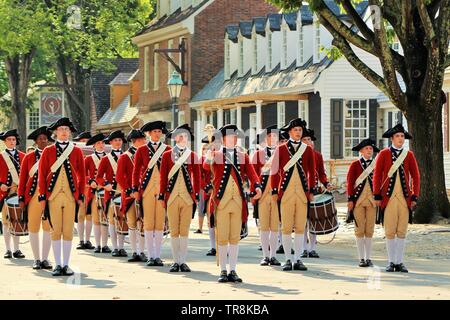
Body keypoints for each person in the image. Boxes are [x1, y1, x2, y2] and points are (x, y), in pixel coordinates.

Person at [204, 124, 262, 283]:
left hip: (237, 202)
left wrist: (257, 187)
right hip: (221, 201)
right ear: (223, 139)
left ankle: (233, 270)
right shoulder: (215, 154)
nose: (233, 139)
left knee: (234, 238)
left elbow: (252, 174)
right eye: (230, 136)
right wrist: (208, 157)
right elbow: (204, 168)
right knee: (222, 238)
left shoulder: (243, 156)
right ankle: (223, 270)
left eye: (235, 136)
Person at [38, 117, 85, 276]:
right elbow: (42, 174)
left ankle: (66, 264)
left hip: (71, 196)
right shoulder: (48, 151)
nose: (64, 132)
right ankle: (57, 264)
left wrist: (81, 194)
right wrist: (43, 196)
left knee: (68, 231)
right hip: (53, 196)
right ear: (55, 133)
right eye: (61, 129)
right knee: (55, 230)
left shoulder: (76, 150)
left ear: (70, 132)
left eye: (66, 129)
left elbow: (82, 175)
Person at [373, 124, 420, 273]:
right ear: (392, 138)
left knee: (402, 231)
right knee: (390, 231)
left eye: (402, 136)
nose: (400, 139)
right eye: (398, 136)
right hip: (388, 199)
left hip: (404, 199)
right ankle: (391, 262)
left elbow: (416, 176)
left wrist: (415, 195)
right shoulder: (384, 154)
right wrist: (376, 195)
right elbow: (377, 175)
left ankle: (399, 262)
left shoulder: (409, 155)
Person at [272, 118, 316, 272]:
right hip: (286, 193)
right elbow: (274, 172)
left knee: (299, 227)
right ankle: (288, 259)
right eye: (295, 130)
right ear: (290, 132)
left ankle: (298, 259)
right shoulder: (281, 149)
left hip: (302, 194)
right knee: (286, 227)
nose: (298, 133)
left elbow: (311, 171)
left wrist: (311, 190)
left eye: (300, 130)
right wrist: (273, 191)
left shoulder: (307, 149)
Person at [159, 124, 200, 273]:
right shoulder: (166, 155)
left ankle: (183, 261)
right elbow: (163, 176)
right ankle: (175, 261)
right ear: (175, 138)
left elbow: (197, 177)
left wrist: (195, 195)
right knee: (174, 230)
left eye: (185, 136)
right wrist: (162, 195)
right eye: (180, 135)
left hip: (187, 198)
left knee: (185, 230)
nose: (183, 138)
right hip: (171, 197)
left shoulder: (193, 155)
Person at [132, 121, 171, 267]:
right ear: (149, 133)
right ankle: (150, 255)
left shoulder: (167, 149)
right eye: (154, 132)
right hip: (147, 188)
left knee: (160, 222)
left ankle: (158, 255)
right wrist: (135, 189)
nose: (157, 134)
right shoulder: (141, 150)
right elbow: (136, 171)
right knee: (148, 222)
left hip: (161, 189)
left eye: (159, 132)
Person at [18, 126, 54, 269]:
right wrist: (21, 197)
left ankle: (45, 259)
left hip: (49, 196)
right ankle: (36, 259)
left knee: (47, 228)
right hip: (33, 196)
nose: (43, 141)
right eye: (40, 139)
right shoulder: (29, 157)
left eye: (45, 138)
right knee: (33, 228)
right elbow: (22, 179)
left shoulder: (53, 155)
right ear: (35, 142)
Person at [346, 138, 379, 267]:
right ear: (361, 151)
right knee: (359, 230)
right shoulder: (355, 165)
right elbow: (350, 183)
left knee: (369, 230)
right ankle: (361, 258)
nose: (369, 151)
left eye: (371, 149)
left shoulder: (376, 164)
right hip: (358, 201)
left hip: (372, 201)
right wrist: (350, 199)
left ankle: (368, 257)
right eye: (367, 148)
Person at [251, 125, 281, 266]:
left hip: (276, 193)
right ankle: (265, 256)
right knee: (264, 226)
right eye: (270, 136)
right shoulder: (258, 154)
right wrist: (253, 193)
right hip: (262, 193)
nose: (272, 138)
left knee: (275, 226)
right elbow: (253, 175)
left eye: (275, 136)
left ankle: (273, 255)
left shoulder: (282, 153)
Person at [117, 129, 147, 262]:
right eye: (143, 139)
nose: (145, 141)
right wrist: (129, 190)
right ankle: (135, 252)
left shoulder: (147, 154)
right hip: (130, 195)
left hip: (144, 193)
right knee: (132, 224)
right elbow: (119, 177)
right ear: (137, 141)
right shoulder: (125, 156)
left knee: (143, 224)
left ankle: (142, 251)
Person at [300, 128, 331, 259]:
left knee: (313, 221)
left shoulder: (317, 155)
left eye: (309, 139)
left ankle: (312, 248)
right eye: (305, 139)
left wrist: (326, 183)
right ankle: (303, 248)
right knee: (302, 222)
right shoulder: (297, 154)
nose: (308, 142)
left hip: (314, 191)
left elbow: (321, 173)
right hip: (300, 191)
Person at [96, 130, 127, 257]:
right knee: (112, 221)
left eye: (120, 140)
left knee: (122, 220)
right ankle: (114, 247)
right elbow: (98, 177)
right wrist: (105, 184)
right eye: (115, 140)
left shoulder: (127, 156)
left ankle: (121, 247)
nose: (118, 142)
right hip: (111, 192)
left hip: (124, 191)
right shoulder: (105, 159)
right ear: (111, 142)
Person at [1, 129, 26, 259]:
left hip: (19, 192)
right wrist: (1, 185)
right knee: (6, 222)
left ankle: (17, 249)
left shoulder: (23, 156)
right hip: (5, 194)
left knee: (17, 221)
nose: (12, 142)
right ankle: (8, 249)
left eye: (13, 140)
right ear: (5, 142)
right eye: (9, 140)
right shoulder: (0, 156)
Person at [85, 133, 110, 253]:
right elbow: (82, 175)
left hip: (106, 191)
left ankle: (105, 245)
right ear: (94, 145)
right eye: (98, 143)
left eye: (103, 143)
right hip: (94, 191)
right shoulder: (89, 159)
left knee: (105, 219)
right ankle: (97, 244)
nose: (101, 145)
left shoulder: (109, 158)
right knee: (96, 219)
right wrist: (90, 181)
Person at [74, 131, 94, 250]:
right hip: (80, 187)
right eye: (81, 142)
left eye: (85, 141)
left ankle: (88, 239)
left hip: (91, 189)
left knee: (90, 215)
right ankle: (81, 240)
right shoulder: (77, 154)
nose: (83, 144)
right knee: (80, 215)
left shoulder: (92, 156)